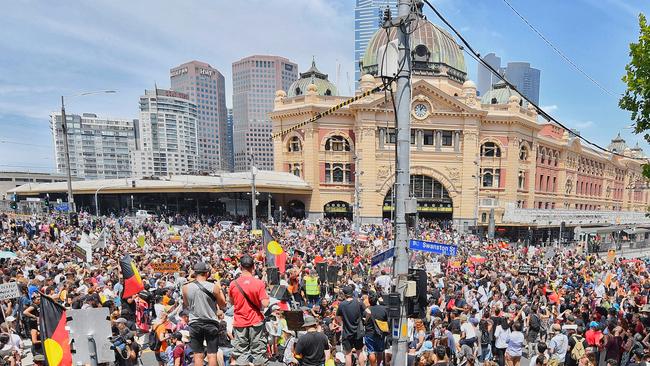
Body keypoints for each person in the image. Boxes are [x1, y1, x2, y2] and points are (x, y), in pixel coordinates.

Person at [182, 262, 226, 366]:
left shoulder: (185, 287)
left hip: (195, 323)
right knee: (212, 354)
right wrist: (219, 288)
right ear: (207, 273)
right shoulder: (213, 287)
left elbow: (187, 304)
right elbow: (223, 304)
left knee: (198, 355)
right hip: (211, 322)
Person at [228, 255, 270, 366]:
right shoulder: (259, 283)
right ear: (253, 267)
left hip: (240, 321)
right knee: (258, 351)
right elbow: (265, 303)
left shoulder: (233, 284)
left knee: (241, 352)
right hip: (255, 320)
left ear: (240, 267)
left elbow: (232, 302)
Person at [336, 285, 368, 366]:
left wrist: (342, 323)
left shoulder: (342, 305)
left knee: (348, 354)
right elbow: (369, 312)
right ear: (352, 292)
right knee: (359, 352)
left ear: (344, 294)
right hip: (358, 332)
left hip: (347, 332)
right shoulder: (358, 301)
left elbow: (338, 317)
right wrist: (365, 320)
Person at [365, 292, 388, 366]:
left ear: (369, 300)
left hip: (369, 333)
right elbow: (386, 321)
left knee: (371, 351)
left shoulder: (367, 310)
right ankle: (378, 364)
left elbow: (364, 321)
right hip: (380, 333)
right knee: (380, 351)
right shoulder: (383, 309)